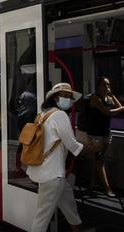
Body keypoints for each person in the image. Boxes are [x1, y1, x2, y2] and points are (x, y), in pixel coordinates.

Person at [28, 83, 84, 232]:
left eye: (69, 97)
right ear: (55, 97)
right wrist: (91, 148)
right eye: (64, 96)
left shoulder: (42, 115)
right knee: (41, 218)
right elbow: (72, 144)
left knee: (70, 208)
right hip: (52, 174)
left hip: (47, 171)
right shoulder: (59, 115)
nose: (68, 99)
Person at [85, 76, 124, 197]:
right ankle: (108, 189)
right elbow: (108, 112)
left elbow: (118, 106)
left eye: (109, 85)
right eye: (105, 85)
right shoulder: (95, 98)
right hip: (95, 133)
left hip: (105, 132)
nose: (107, 87)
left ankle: (92, 184)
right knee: (99, 159)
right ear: (98, 86)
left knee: (96, 160)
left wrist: (113, 95)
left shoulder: (108, 98)